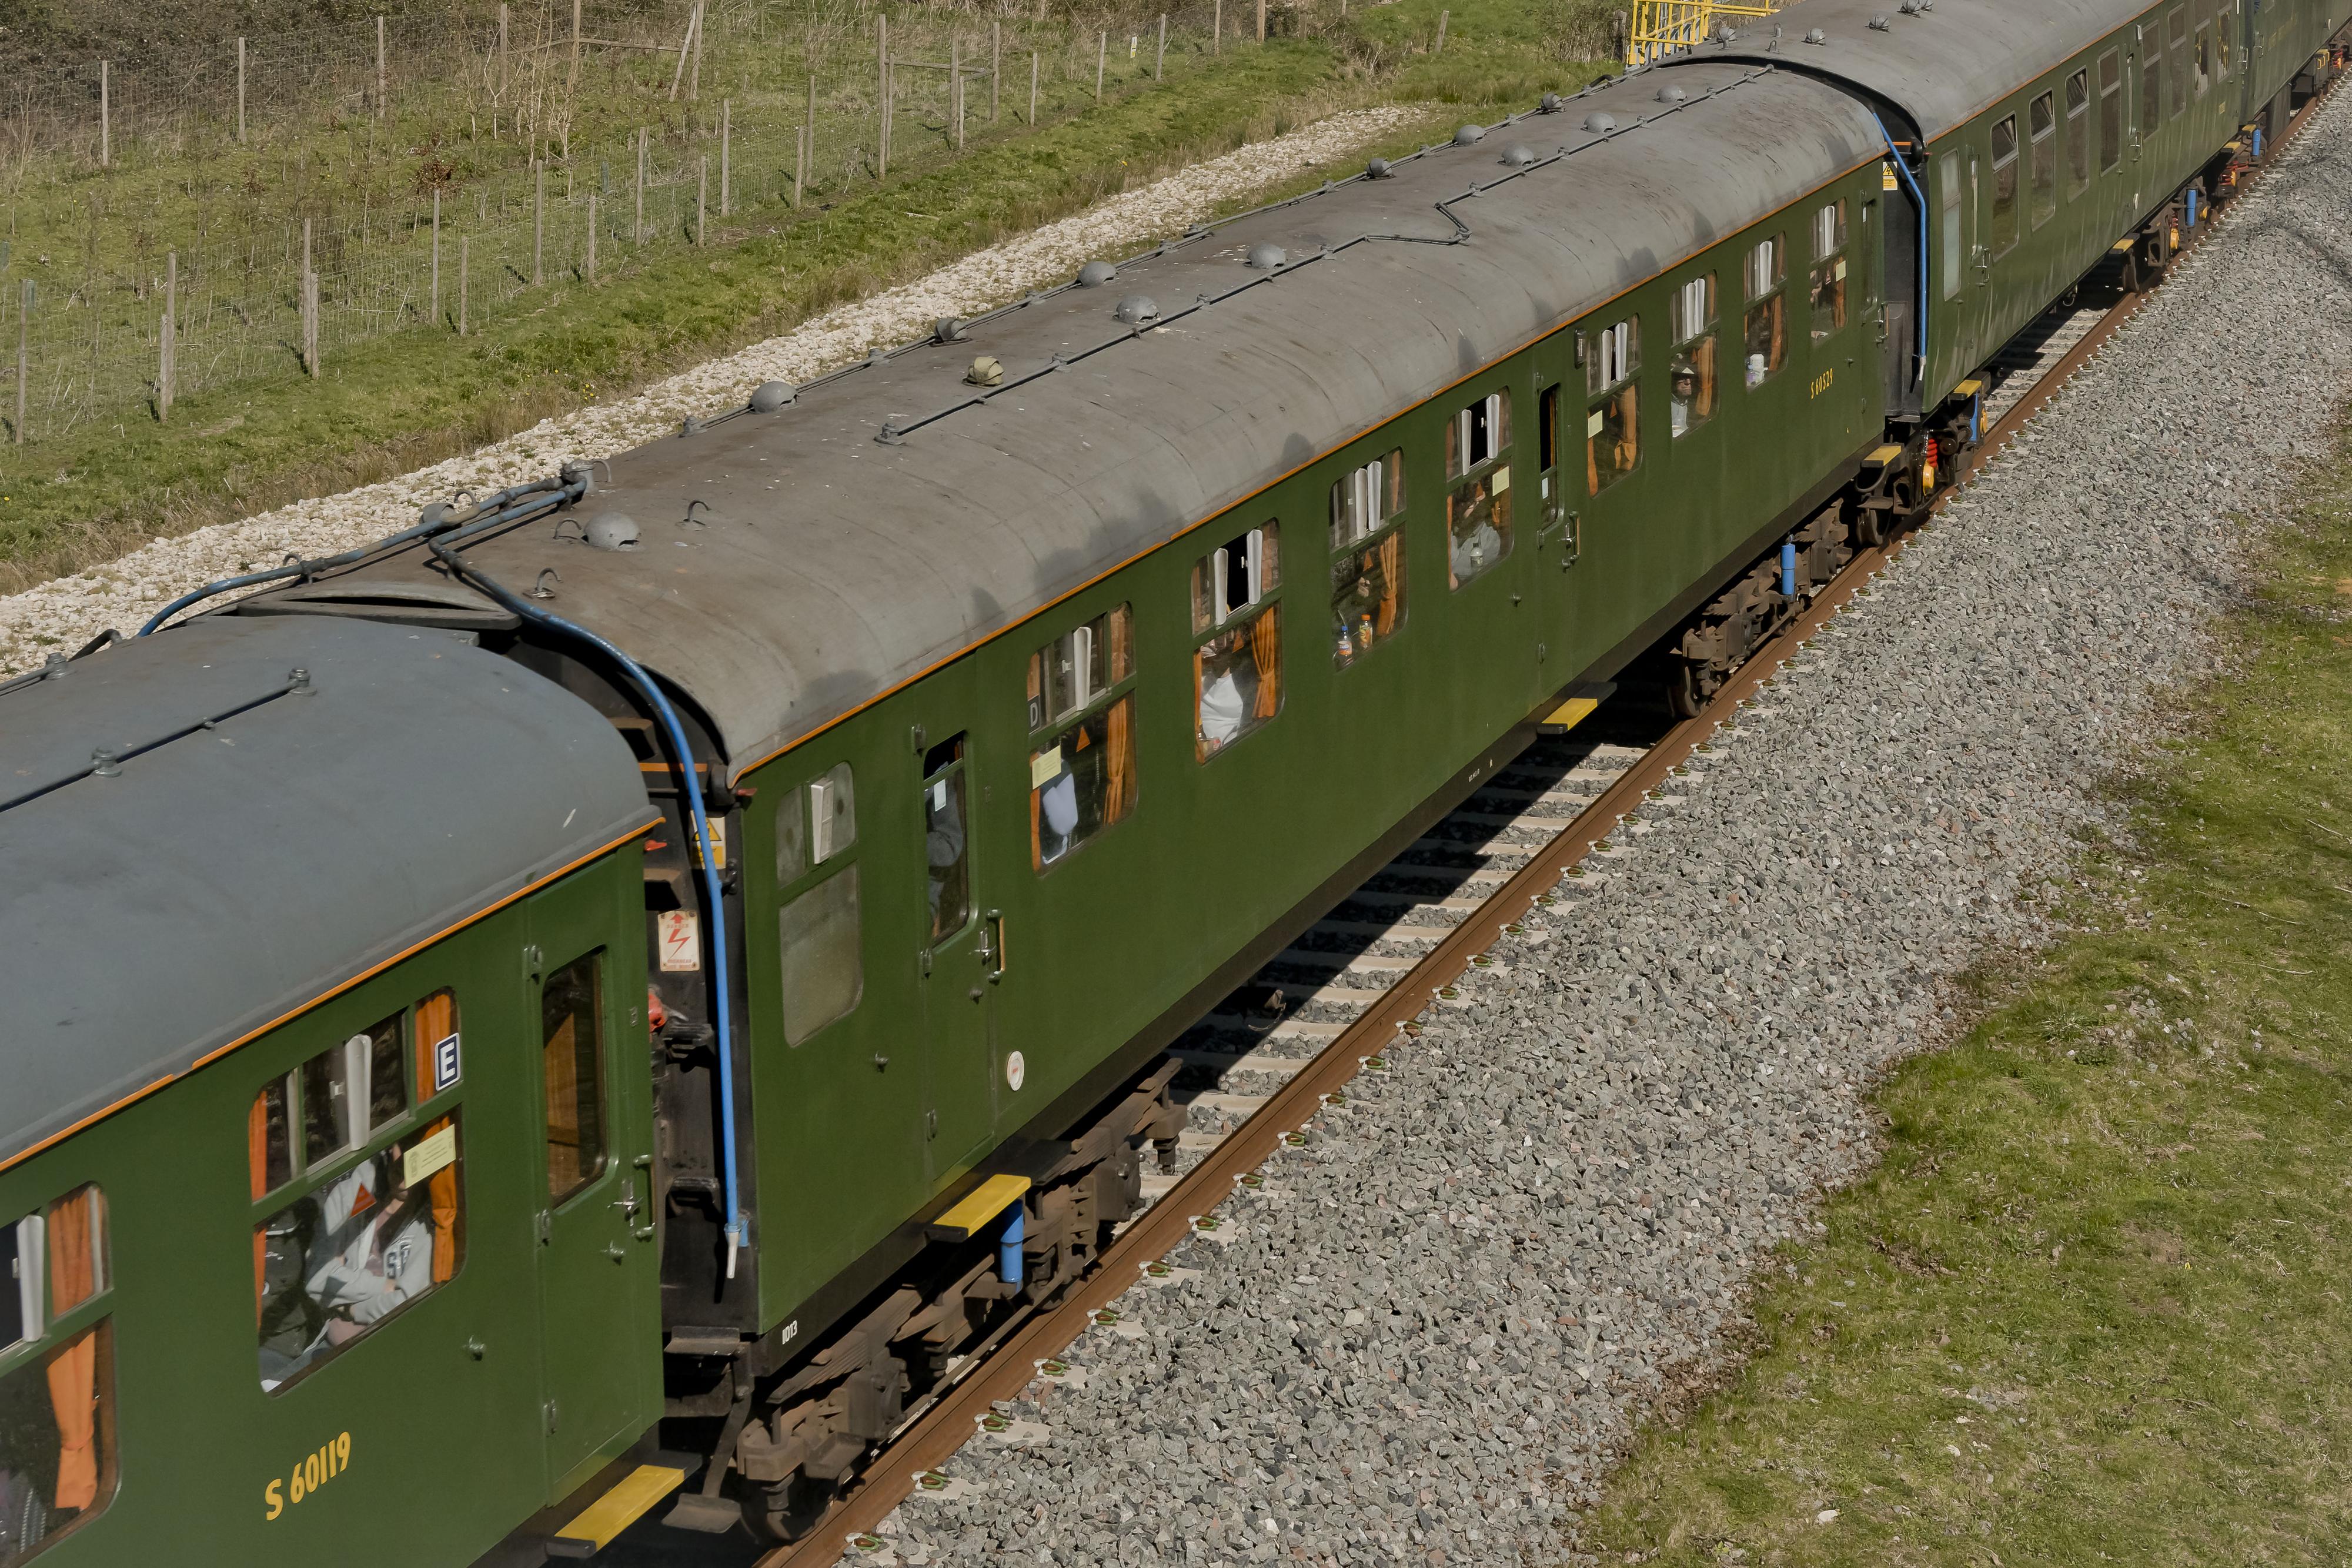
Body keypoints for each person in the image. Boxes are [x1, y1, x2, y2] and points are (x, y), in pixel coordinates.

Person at [1671, 365, 1698, 436]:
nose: (1688, 383)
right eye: (1683, 378)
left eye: (1691, 380)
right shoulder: (1664, 403)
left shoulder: (1696, 405)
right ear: (1673, 383)